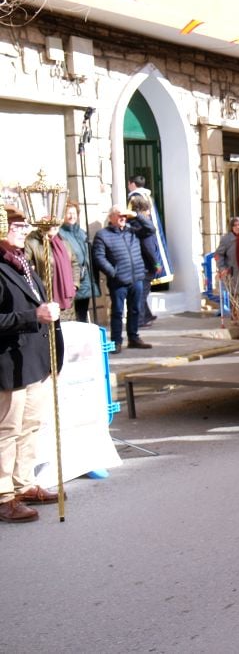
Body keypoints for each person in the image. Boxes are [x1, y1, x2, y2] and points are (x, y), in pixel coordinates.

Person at [0, 206, 65, 523]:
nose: (23, 230)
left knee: (30, 426)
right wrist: (32, 316)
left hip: (32, 359)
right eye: (16, 225)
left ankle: (22, 484)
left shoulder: (22, 261)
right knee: (6, 430)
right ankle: (3, 496)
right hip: (7, 362)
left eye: (25, 225)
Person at [92, 205, 152, 353]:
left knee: (135, 309)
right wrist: (113, 272)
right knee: (117, 312)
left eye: (124, 216)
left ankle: (133, 338)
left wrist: (135, 214)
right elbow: (99, 257)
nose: (122, 218)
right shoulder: (103, 235)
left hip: (136, 277)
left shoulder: (132, 231)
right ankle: (116, 342)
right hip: (118, 281)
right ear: (111, 217)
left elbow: (150, 229)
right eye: (119, 215)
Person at [24, 224, 77, 322]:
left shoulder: (63, 241)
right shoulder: (32, 241)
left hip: (66, 294)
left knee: (66, 329)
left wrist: (75, 284)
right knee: (51, 329)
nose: (53, 226)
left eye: (56, 224)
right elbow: (26, 265)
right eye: (49, 224)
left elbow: (74, 263)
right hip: (46, 295)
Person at [58, 201, 98, 323]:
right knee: (69, 315)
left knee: (82, 313)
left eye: (74, 213)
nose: (71, 216)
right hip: (70, 279)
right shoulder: (60, 233)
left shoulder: (81, 233)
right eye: (68, 213)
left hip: (84, 279)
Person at [127, 195, 161, 328]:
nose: (149, 213)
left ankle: (146, 314)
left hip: (140, 265)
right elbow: (148, 248)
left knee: (143, 292)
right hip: (145, 266)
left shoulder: (133, 225)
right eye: (147, 210)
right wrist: (156, 263)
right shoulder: (141, 227)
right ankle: (140, 320)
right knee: (142, 293)